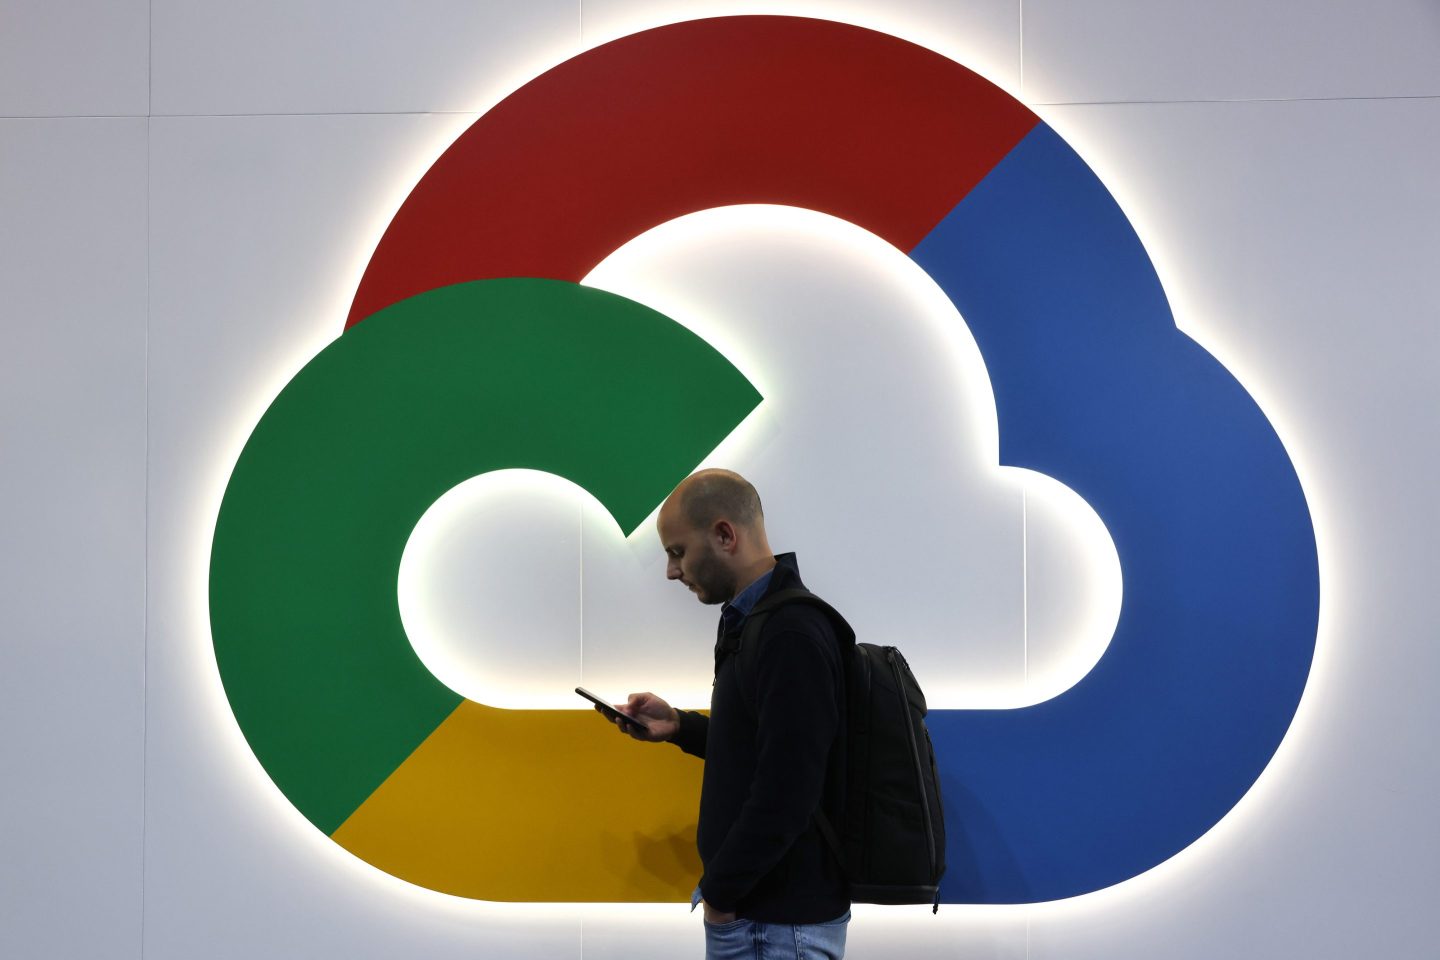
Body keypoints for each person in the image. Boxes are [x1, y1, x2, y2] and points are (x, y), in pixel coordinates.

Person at [601, 469, 851, 960]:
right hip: (765, 920)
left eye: (677, 552)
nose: (672, 572)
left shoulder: (789, 633)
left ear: (723, 535)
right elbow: (766, 749)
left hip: (772, 925)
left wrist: (720, 894)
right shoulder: (757, 624)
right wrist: (680, 726)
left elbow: (789, 790)